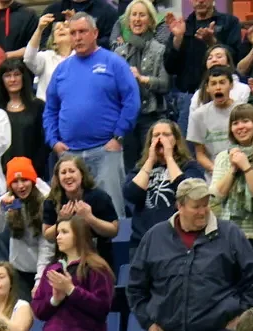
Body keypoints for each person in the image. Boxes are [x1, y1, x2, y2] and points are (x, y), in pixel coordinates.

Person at [127, 178, 253, 331]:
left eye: (205, 204)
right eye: (196, 206)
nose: (202, 211)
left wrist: (242, 315)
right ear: (179, 206)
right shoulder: (154, 236)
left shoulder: (229, 233)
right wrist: (148, 323)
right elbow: (135, 286)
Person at [43, 12, 139, 217]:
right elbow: (50, 109)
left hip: (106, 150)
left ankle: (117, 250)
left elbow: (132, 101)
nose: (77, 37)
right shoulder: (62, 70)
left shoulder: (114, 62)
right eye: (73, 33)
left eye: (82, 32)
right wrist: (53, 141)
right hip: (70, 154)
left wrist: (118, 136)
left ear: (95, 33)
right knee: (72, 216)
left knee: (113, 212)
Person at [210, 104, 253, 283]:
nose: (240, 127)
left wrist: (246, 167)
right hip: (230, 236)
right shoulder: (224, 157)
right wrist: (233, 169)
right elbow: (215, 195)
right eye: (235, 123)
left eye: (245, 121)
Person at [163, 0, 245, 133]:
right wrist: (178, 38)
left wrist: (212, 42)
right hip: (189, 99)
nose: (200, 1)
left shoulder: (230, 22)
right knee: (188, 149)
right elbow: (170, 67)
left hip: (223, 96)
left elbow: (236, 59)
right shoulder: (183, 26)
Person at [124, 119, 204, 250]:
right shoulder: (140, 169)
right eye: (156, 135)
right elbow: (131, 194)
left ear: (176, 140)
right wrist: (150, 160)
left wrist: (169, 158)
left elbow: (190, 192)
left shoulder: (189, 166)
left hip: (178, 240)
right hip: (143, 241)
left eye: (166, 135)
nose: (161, 139)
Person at [114, 0, 170, 169]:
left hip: (151, 116)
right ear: (128, 20)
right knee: (130, 168)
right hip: (126, 118)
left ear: (151, 21)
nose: (137, 19)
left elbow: (165, 84)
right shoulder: (118, 52)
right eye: (134, 15)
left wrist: (143, 79)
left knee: (152, 165)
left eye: (142, 15)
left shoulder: (159, 49)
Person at [0, 157, 54, 294]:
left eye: (24, 180)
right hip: (19, 268)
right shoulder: (9, 199)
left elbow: (46, 245)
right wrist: (1, 207)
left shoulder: (47, 201)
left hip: (46, 268)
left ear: (33, 180)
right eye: (15, 182)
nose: (21, 186)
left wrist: (39, 280)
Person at [43, 154, 119, 269]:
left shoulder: (99, 197)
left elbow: (113, 230)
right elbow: (47, 235)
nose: (68, 176)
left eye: (72, 171)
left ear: (82, 174)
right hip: (65, 260)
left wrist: (90, 218)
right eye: (63, 173)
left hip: (99, 258)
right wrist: (61, 220)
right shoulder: (52, 200)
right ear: (58, 178)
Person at [187, 66, 241, 173]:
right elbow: (200, 154)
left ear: (231, 85)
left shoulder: (243, 110)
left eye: (222, 82)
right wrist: (217, 171)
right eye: (213, 84)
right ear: (207, 88)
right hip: (214, 174)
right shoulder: (198, 115)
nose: (218, 87)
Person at [24, 13, 72, 101]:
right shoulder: (46, 57)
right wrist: (39, 29)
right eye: (57, 28)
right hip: (47, 109)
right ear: (53, 40)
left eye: (65, 27)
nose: (61, 28)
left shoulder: (81, 57)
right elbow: (28, 58)